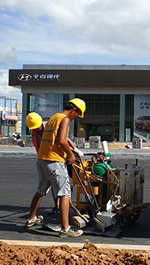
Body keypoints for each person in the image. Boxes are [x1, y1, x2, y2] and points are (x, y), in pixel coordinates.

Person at [26, 98, 86, 237]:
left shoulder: (54, 117)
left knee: (40, 190)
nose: (75, 118)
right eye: (77, 114)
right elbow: (62, 140)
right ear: (73, 110)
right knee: (65, 193)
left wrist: (74, 149)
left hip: (42, 161)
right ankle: (65, 229)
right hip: (54, 162)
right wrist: (71, 155)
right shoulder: (65, 119)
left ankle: (31, 218)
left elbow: (56, 138)